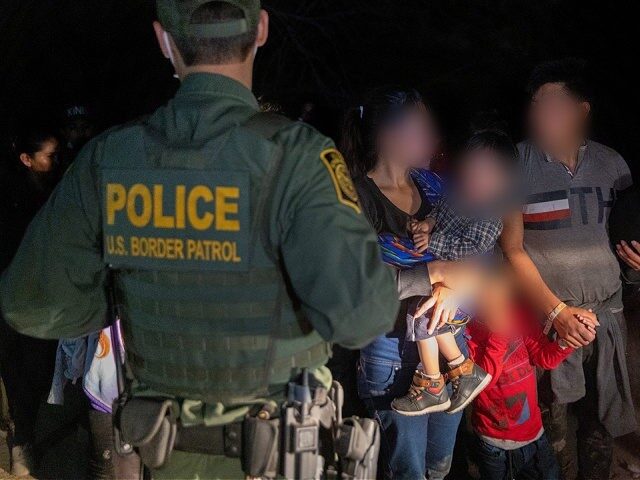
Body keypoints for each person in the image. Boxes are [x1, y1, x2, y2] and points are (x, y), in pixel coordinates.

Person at [0, 1, 399, 479]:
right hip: (285, 452)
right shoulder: (300, 157)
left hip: (171, 455)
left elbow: (29, 302)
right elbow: (362, 318)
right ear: (262, 30)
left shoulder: (110, 158)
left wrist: (127, 298)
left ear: (164, 40)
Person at [500, 58, 637, 479]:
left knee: (598, 426)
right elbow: (512, 248)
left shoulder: (612, 164)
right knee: (549, 431)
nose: (542, 114)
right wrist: (556, 313)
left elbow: (626, 236)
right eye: (537, 105)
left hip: (604, 320)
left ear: (581, 110)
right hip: (546, 326)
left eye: (554, 104)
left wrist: (636, 267)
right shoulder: (516, 163)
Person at [342, 86, 483, 479]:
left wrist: (454, 283)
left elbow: (481, 249)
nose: (431, 135)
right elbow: (354, 282)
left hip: (452, 350)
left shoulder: (435, 186)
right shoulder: (353, 196)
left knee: (440, 464)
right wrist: (433, 273)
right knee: (407, 471)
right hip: (391, 355)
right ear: (388, 135)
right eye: (420, 126)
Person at [390, 130, 520, 417]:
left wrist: (432, 242)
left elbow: (473, 249)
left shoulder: (489, 214)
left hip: (462, 288)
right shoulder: (457, 195)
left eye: (486, 172)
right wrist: (425, 225)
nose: (475, 177)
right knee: (425, 314)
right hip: (444, 278)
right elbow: (440, 213)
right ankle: (460, 371)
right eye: (472, 168)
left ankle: (434, 384)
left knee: (423, 315)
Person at [466, 274, 577, 480]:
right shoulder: (469, 332)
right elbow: (484, 379)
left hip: (535, 433)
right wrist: (498, 334)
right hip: (495, 442)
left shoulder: (519, 315)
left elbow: (544, 358)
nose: (503, 308)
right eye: (493, 302)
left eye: (505, 299)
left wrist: (567, 340)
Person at [0, 126, 61, 477]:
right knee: (19, 371)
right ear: (26, 159)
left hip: (43, 302)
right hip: (14, 300)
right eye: (48, 156)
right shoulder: (11, 199)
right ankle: (22, 440)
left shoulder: (54, 192)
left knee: (38, 374)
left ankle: (23, 433)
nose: (56, 161)